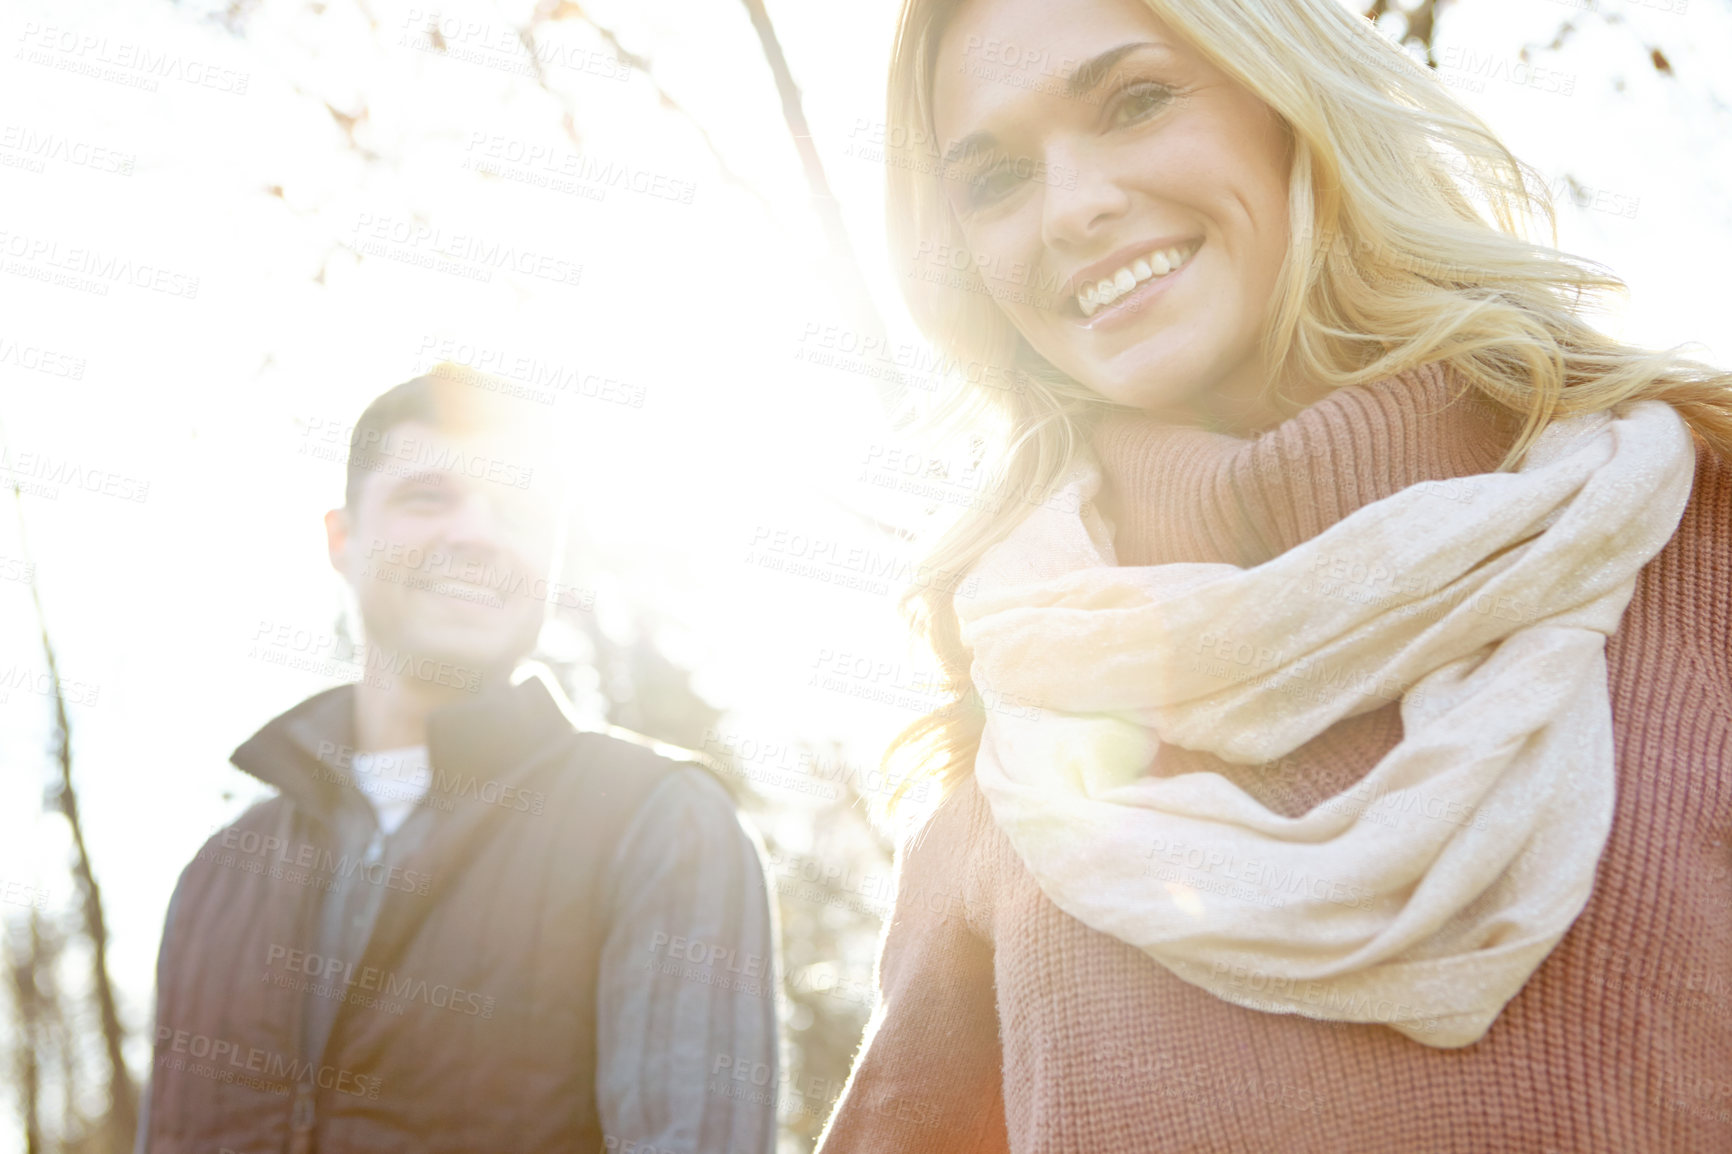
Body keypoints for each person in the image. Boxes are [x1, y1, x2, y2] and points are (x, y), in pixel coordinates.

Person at [815, 0, 1732, 1151]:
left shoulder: (1693, 539)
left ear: (1291, 103)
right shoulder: (1020, 714)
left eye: (1135, 102)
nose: (1073, 207)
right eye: (994, 180)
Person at [137, 365, 779, 1154]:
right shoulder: (217, 876)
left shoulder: (660, 823)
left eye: (515, 510)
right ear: (343, 539)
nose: (475, 533)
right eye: (426, 497)